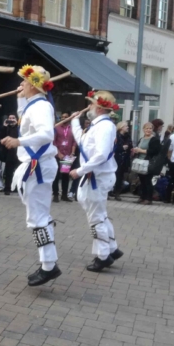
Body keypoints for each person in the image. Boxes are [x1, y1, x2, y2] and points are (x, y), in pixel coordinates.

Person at [0, 65, 60, 286]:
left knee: (37, 219)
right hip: (37, 166)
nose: (21, 85)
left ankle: (49, 265)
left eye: (24, 82)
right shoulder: (35, 105)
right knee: (38, 217)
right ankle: (48, 263)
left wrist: (19, 141)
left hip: (39, 167)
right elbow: (25, 118)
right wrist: (20, 99)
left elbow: (46, 133)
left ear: (34, 85)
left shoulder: (41, 107)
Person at [69, 91, 123, 272]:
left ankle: (102, 256)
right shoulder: (97, 125)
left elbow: (100, 154)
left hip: (97, 177)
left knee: (96, 218)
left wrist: (80, 170)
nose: (89, 106)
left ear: (98, 108)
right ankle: (112, 248)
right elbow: (84, 143)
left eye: (91, 104)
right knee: (99, 214)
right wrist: (74, 122)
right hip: (95, 176)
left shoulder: (105, 127)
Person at [132, 122, 160, 205]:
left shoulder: (155, 139)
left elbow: (154, 151)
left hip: (148, 162)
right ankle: (142, 197)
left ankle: (148, 198)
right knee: (142, 181)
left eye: (150, 128)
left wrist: (140, 150)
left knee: (148, 181)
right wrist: (135, 150)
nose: (148, 130)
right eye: (146, 128)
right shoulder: (142, 138)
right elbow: (139, 147)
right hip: (140, 162)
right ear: (143, 129)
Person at [52, 112, 76, 202]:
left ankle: (64, 195)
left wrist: (72, 153)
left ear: (69, 118)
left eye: (66, 117)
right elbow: (53, 142)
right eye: (62, 117)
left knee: (65, 175)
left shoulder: (71, 128)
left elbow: (74, 141)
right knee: (56, 175)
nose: (64, 118)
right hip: (57, 155)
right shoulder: (56, 127)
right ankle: (55, 194)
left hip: (68, 156)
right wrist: (59, 153)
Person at [112, 121, 132, 201]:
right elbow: (113, 147)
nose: (127, 127)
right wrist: (121, 148)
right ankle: (109, 191)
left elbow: (130, 146)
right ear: (121, 127)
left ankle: (117, 193)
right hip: (116, 158)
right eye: (126, 126)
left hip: (124, 159)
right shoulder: (116, 136)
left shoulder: (128, 136)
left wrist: (130, 148)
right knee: (113, 176)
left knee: (120, 177)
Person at [0, 114, 19, 195]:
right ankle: (7, 188)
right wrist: (4, 126)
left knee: (18, 171)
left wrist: (17, 124)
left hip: (18, 152)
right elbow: (0, 137)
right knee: (9, 171)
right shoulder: (6, 128)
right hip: (9, 152)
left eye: (13, 118)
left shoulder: (19, 128)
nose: (11, 120)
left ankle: (17, 187)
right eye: (10, 118)